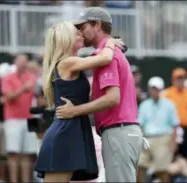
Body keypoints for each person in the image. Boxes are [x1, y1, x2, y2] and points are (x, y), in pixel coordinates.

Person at [55, 7, 144, 182]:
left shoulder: (107, 55)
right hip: (122, 131)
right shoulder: (108, 52)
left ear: (97, 25)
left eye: (83, 26)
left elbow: (112, 98)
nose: (80, 31)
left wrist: (74, 111)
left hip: (119, 131)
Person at [34, 20, 125, 182]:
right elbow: (105, 58)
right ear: (67, 39)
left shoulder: (73, 62)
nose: (81, 34)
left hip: (72, 129)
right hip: (65, 132)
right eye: (76, 33)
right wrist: (110, 42)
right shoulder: (67, 62)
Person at [0, 53, 37, 183]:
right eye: (21, 61)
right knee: (13, 152)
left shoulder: (31, 77)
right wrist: (23, 89)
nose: (23, 63)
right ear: (15, 62)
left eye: (25, 61)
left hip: (30, 117)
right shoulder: (7, 78)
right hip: (12, 119)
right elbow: (8, 97)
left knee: (29, 153)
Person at [137, 77, 179, 182]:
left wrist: (173, 144)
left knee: (162, 170)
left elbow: (175, 126)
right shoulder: (144, 105)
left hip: (163, 139)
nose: (154, 91)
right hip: (146, 139)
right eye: (152, 88)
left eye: (156, 89)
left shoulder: (169, 105)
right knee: (139, 166)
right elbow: (140, 126)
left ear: (161, 90)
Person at [162, 68, 187, 160]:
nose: (180, 81)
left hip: (185, 128)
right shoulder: (167, 93)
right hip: (171, 128)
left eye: (182, 78)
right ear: (173, 80)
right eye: (178, 78)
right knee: (171, 154)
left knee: (185, 154)